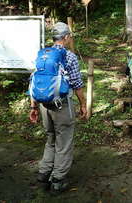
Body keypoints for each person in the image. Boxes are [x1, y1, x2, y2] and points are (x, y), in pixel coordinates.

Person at [29, 22, 89, 192]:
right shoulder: (68, 56)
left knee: (51, 139)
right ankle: (58, 179)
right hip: (62, 105)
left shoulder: (44, 54)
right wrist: (83, 104)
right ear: (67, 37)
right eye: (70, 36)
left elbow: (34, 81)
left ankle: (44, 173)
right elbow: (77, 84)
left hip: (43, 105)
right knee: (64, 142)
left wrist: (33, 107)